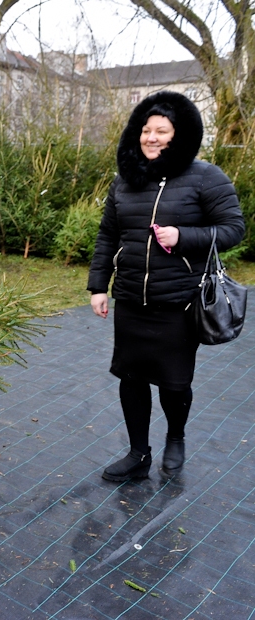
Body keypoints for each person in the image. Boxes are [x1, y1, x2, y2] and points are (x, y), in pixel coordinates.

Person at [87, 90, 245, 482]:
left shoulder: (205, 177)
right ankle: (138, 454)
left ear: (179, 135)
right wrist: (98, 286)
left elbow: (234, 229)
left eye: (162, 130)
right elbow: (108, 236)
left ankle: (176, 437)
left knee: (175, 383)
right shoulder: (125, 181)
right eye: (146, 130)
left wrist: (183, 236)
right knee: (131, 379)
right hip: (130, 301)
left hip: (179, 302)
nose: (151, 137)